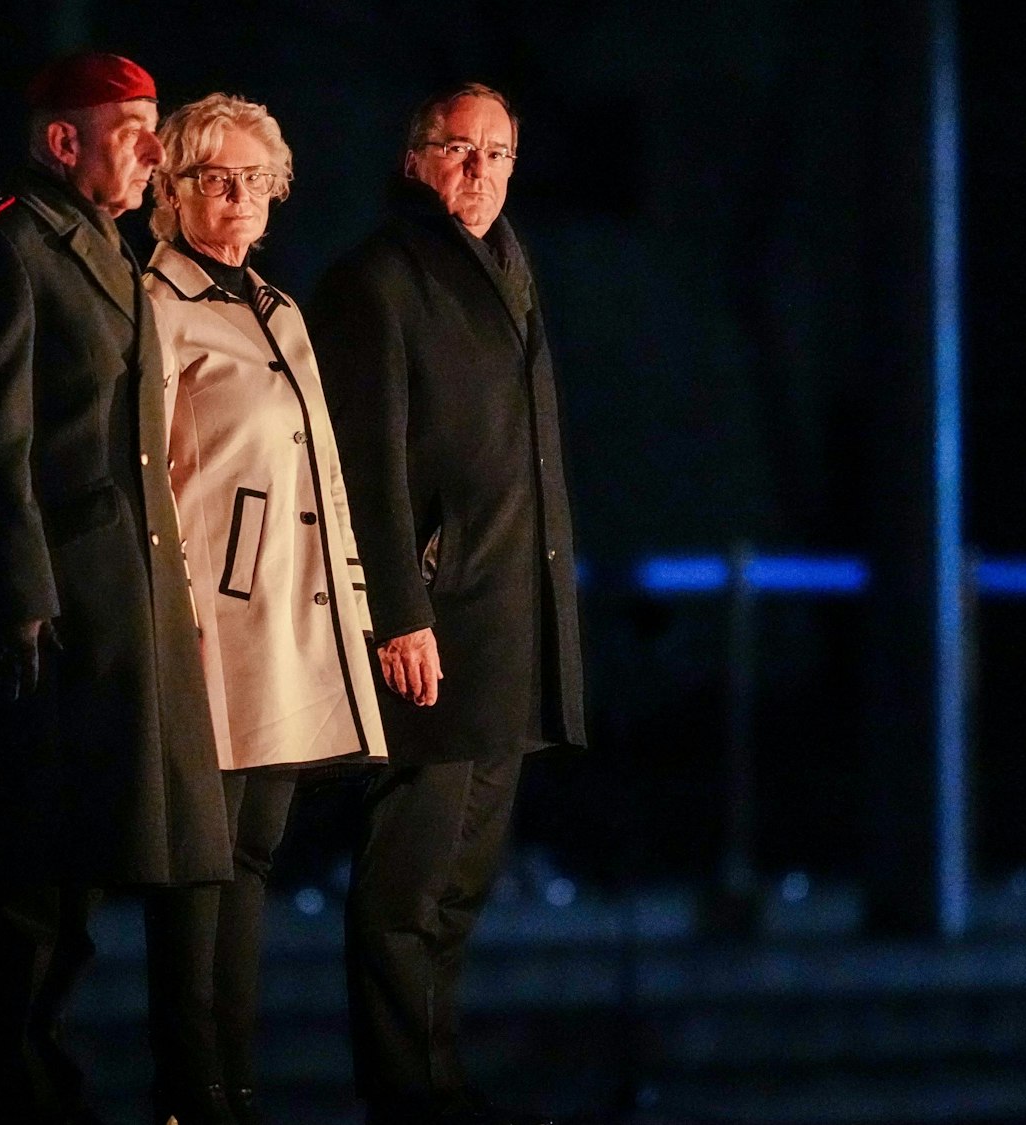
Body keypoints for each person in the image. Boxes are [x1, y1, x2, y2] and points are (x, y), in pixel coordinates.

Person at [0, 52, 230, 1125]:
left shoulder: (102, 245)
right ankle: (14, 1099)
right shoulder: (10, 248)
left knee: (76, 875)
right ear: (65, 143)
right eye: (133, 127)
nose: (156, 149)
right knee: (26, 885)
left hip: (116, 604)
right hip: (52, 615)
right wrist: (16, 601)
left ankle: (45, 1091)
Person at [307, 83, 587, 1125]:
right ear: (414, 155)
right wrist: (398, 608)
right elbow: (366, 464)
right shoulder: (379, 279)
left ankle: (434, 1078)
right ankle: (402, 1089)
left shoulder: (507, 267)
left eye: (498, 155)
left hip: (506, 613)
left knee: (463, 879)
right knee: (405, 883)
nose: (478, 175)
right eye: (458, 152)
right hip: (435, 619)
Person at [139, 93, 390, 1125]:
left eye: (256, 180)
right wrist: (177, 616)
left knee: (250, 860)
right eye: (214, 178)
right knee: (194, 870)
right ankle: (189, 1094)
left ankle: (231, 1088)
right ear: (170, 188)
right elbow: (149, 478)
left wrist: (358, 610)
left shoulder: (275, 308)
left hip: (289, 625)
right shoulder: (157, 305)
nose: (238, 197)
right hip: (209, 629)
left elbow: (323, 475)